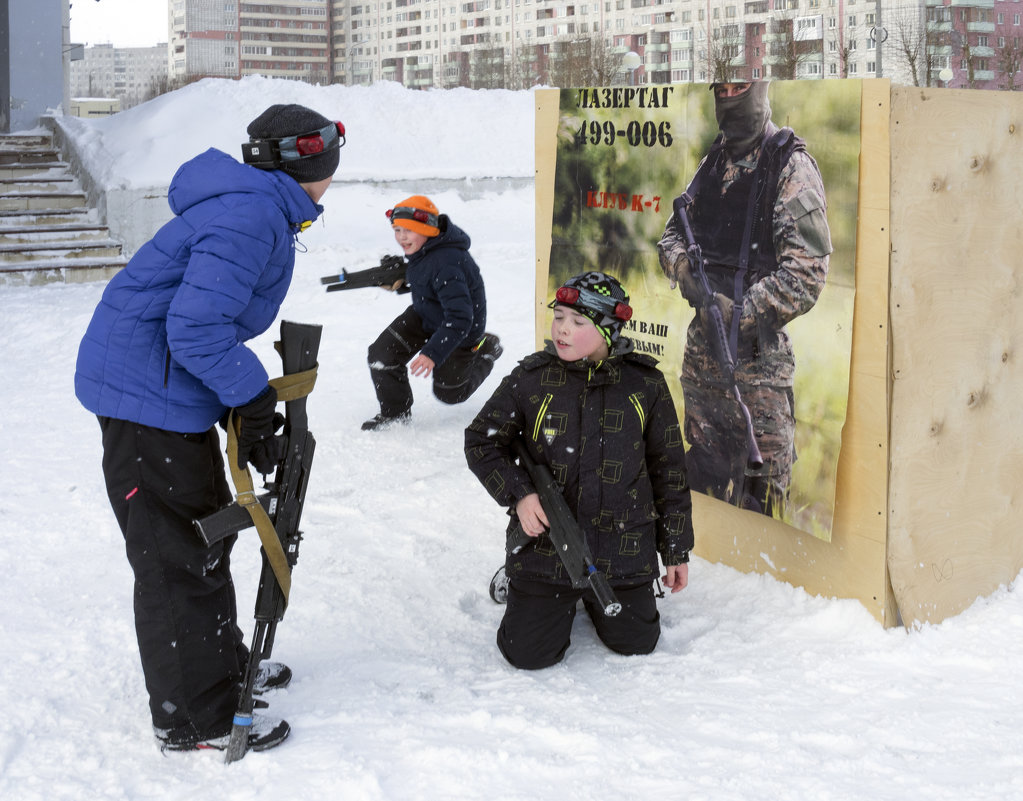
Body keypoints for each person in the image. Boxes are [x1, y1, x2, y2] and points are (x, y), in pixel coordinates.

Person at [74, 103, 344, 752]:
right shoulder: (252, 215)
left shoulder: (253, 204)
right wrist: (251, 397)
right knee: (175, 556)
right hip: (147, 396)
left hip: (165, 390)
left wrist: (241, 403)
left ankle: (220, 667)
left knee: (201, 534)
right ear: (311, 163)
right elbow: (194, 328)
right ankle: (194, 714)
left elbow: (199, 321)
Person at [464, 272, 693, 670]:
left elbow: (668, 470)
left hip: (623, 550)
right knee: (527, 655)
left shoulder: (645, 385)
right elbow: (481, 441)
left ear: (608, 330)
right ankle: (521, 581)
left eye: (578, 322)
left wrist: (674, 549)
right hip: (546, 547)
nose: (563, 330)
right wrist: (520, 494)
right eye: (560, 317)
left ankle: (590, 597)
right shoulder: (531, 379)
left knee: (637, 645)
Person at [657, 80, 832, 518]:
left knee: (763, 510)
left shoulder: (790, 166)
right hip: (702, 368)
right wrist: (682, 269)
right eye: (723, 88)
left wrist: (743, 311)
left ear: (762, 88)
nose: (731, 96)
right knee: (703, 500)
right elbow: (673, 233)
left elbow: (807, 272)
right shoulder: (713, 162)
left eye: (741, 86)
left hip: (758, 375)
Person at [361, 194, 502, 430]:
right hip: (427, 314)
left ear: (428, 228)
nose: (401, 237)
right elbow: (429, 278)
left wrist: (432, 353)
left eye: (408, 230)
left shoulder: (448, 261)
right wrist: (403, 280)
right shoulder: (426, 247)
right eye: (397, 229)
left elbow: (460, 317)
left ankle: (487, 348)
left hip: (460, 328)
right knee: (382, 355)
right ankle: (395, 413)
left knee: (450, 394)